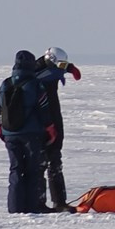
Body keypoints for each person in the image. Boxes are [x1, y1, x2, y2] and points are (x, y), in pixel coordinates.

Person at [0, 49, 66, 214]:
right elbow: (44, 109)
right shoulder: (35, 84)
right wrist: (50, 129)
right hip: (31, 135)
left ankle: (15, 208)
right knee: (34, 170)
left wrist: (0, 128)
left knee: (16, 170)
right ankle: (34, 206)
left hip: (10, 134)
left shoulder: (6, 83)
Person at [36, 46, 83, 212]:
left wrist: (70, 67)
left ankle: (59, 202)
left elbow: (60, 66)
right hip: (42, 123)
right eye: (61, 65)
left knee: (55, 161)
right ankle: (39, 203)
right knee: (41, 164)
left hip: (54, 119)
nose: (62, 69)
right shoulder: (37, 75)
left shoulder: (52, 68)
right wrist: (47, 126)